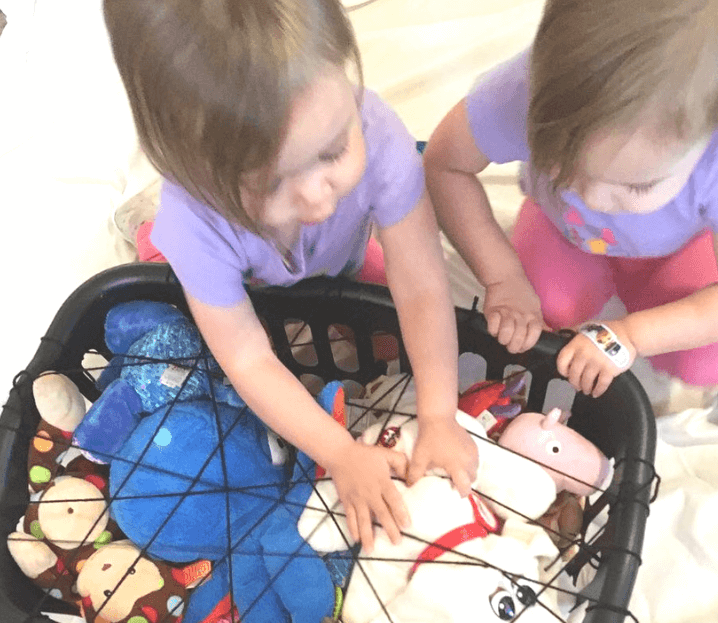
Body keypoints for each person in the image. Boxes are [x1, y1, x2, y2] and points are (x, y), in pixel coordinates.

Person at [103, 0, 477, 553]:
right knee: (171, 308)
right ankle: (148, 232)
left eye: (332, 151)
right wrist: (340, 452)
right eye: (270, 183)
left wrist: (439, 414)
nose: (318, 197)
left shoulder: (376, 133)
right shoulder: (197, 220)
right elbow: (248, 357)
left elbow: (422, 283)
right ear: (191, 171)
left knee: (388, 318)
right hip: (242, 285)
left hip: (337, 267)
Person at [424, 0, 718, 401]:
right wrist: (502, 275)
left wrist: (631, 335)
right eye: (559, 162)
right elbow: (444, 164)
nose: (591, 197)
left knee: (708, 361)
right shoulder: (527, 87)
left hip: (677, 250)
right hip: (562, 231)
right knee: (539, 310)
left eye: (638, 186)